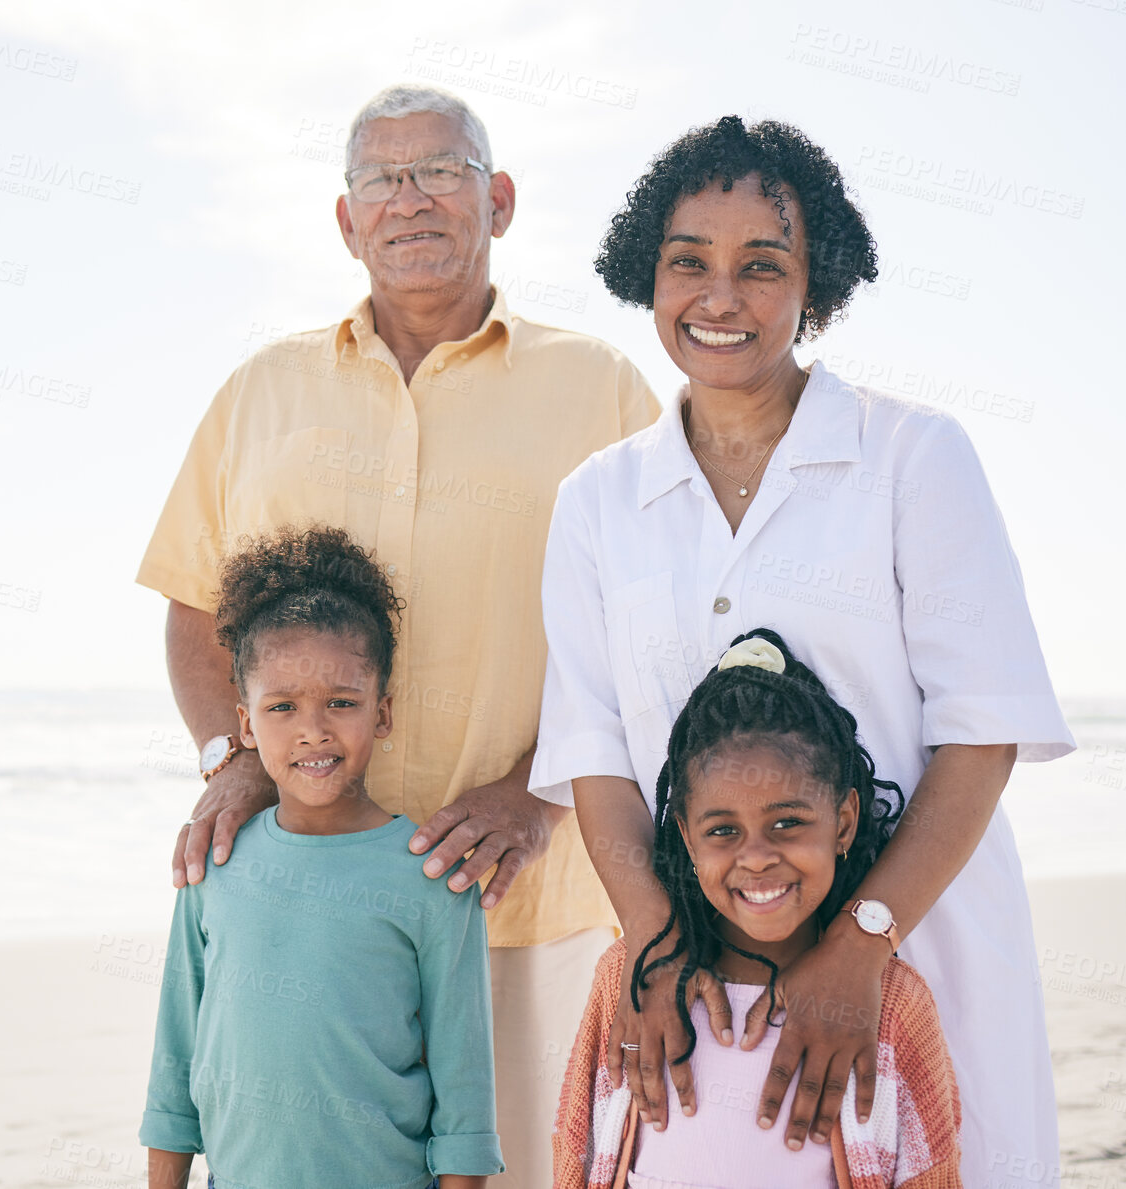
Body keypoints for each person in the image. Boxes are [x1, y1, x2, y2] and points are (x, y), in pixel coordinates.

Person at [529, 114, 1073, 1189]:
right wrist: (652, 943)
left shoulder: (911, 455)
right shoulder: (595, 501)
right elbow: (596, 754)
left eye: (761, 266)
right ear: (649, 274)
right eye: (688, 262)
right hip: (699, 990)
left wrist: (864, 942)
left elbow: (982, 732)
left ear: (814, 288)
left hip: (922, 951)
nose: (718, 297)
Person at [136, 83, 659, 1183]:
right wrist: (229, 760)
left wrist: (538, 789)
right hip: (310, 905)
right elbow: (194, 604)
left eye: (441, 170)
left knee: (519, 1167)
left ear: (498, 199)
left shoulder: (600, 386)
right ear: (345, 218)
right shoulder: (259, 392)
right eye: (381, 177)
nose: (410, 199)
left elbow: (646, 629)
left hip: (531, 895)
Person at [140, 525, 504, 1189]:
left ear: (382, 713)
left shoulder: (430, 874)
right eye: (282, 706)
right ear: (245, 723)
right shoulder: (214, 863)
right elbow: (174, 1064)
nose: (313, 728)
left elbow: (465, 1099)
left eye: (341, 701)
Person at [552, 631, 963, 1189]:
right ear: (687, 841)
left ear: (843, 822)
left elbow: (928, 1167)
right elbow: (579, 1147)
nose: (757, 857)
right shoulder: (628, 980)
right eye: (723, 830)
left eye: (787, 822)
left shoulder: (891, 1002)